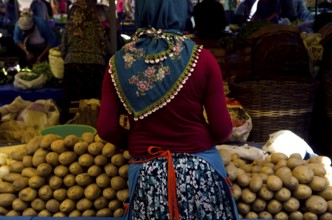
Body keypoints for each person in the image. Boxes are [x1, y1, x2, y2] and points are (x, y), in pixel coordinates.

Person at [97, 0, 240, 219]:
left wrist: (138, 140)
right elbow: (222, 130)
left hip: (146, 174)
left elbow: (106, 128)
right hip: (201, 172)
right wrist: (193, 141)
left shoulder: (117, 63)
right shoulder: (203, 59)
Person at [60, 0, 111, 123]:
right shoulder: (96, 25)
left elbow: (63, 49)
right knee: (93, 105)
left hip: (73, 68)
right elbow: (106, 48)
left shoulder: (70, 26)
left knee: (72, 105)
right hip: (95, 68)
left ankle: (70, 129)